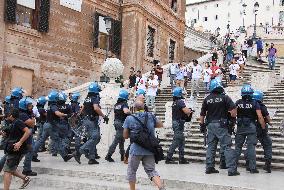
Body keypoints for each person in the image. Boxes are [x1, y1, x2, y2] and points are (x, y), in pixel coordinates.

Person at [199, 79, 239, 176]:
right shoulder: (225, 97)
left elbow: (202, 114)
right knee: (226, 146)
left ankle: (209, 167)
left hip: (210, 125)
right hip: (221, 125)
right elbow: (233, 112)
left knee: (211, 147)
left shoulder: (207, 99)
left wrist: (202, 125)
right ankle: (232, 169)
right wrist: (231, 119)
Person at [123, 101, 165, 190]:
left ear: (134, 108)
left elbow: (125, 136)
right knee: (151, 171)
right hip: (149, 149)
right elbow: (161, 124)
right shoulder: (150, 116)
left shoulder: (129, 118)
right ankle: (161, 187)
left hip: (136, 150)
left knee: (132, 171)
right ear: (144, 107)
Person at [73, 83, 109, 165]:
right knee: (96, 137)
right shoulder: (94, 98)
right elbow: (96, 108)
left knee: (92, 138)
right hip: (92, 121)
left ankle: (92, 158)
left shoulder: (87, 98)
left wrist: (78, 116)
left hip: (86, 120)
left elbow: (82, 108)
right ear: (96, 90)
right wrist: (104, 116)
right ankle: (79, 152)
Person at [235, 84, 265, 173]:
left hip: (240, 127)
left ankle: (233, 167)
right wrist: (263, 128)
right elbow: (260, 117)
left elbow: (233, 114)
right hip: (251, 127)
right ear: (251, 93)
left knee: (237, 147)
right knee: (251, 147)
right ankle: (252, 168)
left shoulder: (238, 102)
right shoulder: (255, 103)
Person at [2, 109, 31, 190]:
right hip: (11, 150)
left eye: (9, 113)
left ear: (11, 115)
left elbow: (27, 132)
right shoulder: (13, 123)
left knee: (7, 171)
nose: (7, 115)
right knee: (10, 169)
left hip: (16, 150)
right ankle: (25, 179)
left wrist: (20, 142)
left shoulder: (18, 122)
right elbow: (14, 135)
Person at [246, 90, 272, 173]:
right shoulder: (261, 106)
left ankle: (248, 164)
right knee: (267, 144)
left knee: (250, 146)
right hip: (260, 128)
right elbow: (267, 118)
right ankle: (267, 164)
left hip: (250, 128)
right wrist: (268, 124)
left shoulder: (249, 105)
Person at [165, 87, 193, 164]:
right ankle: (168, 158)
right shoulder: (180, 102)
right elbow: (186, 111)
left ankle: (181, 158)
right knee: (176, 140)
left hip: (176, 122)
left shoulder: (174, 102)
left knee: (181, 141)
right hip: (178, 123)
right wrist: (190, 110)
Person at [105, 89, 131, 162]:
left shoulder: (117, 105)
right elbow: (126, 111)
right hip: (121, 124)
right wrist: (131, 113)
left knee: (121, 140)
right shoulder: (124, 104)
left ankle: (122, 156)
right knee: (116, 140)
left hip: (116, 122)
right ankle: (108, 155)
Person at [18, 97, 38, 176]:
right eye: (29, 105)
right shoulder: (23, 114)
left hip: (27, 135)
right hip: (25, 136)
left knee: (28, 150)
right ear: (24, 106)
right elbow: (32, 124)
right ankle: (26, 169)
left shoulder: (26, 113)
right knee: (28, 150)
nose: (31, 107)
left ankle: (26, 169)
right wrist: (33, 118)